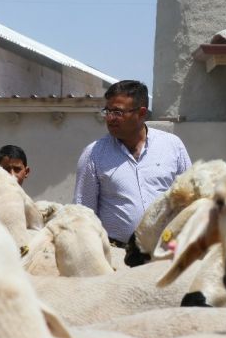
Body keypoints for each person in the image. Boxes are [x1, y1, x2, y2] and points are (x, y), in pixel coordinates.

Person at [74, 80, 191, 266]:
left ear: (141, 113)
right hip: (118, 259)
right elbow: (84, 214)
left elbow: (189, 201)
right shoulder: (93, 154)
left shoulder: (172, 146)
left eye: (118, 112)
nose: (110, 118)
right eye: (108, 111)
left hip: (166, 256)